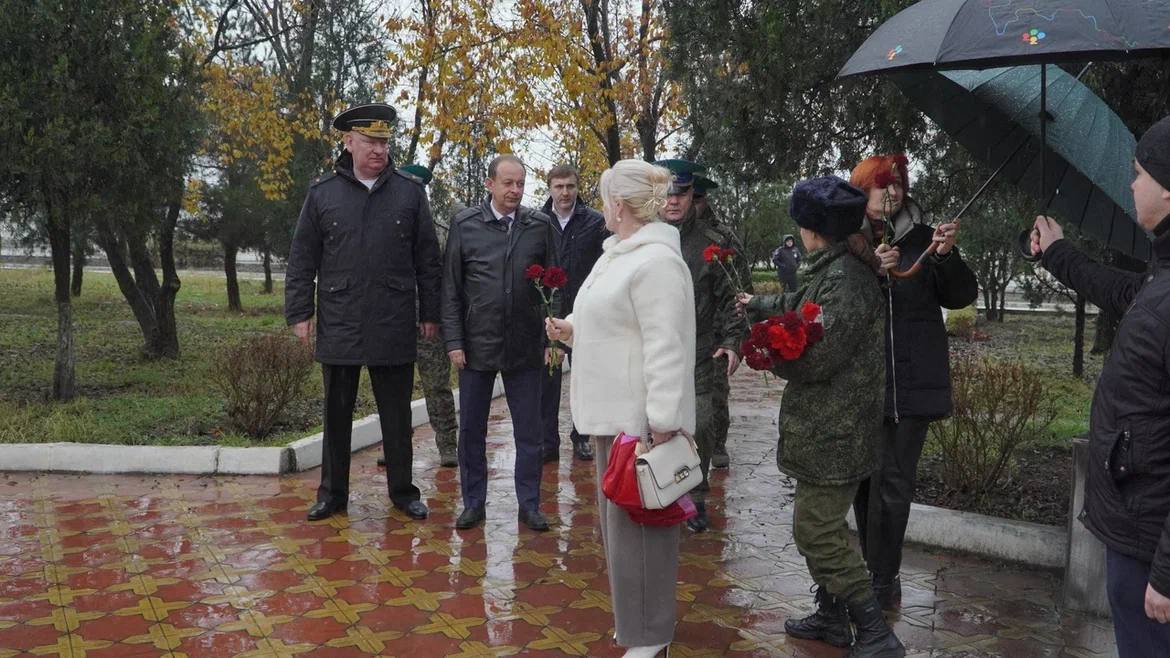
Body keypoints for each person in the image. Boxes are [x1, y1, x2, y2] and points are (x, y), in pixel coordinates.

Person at [738, 176, 905, 657]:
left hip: (838, 429)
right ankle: (833, 618)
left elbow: (820, 355)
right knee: (818, 528)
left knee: (816, 531)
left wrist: (774, 355)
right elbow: (798, 307)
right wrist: (759, 311)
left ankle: (876, 631)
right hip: (824, 426)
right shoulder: (831, 267)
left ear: (812, 229)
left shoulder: (847, 280)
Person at [1029, 116, 1170, 657]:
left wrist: (1166, 571)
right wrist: (1059, 252)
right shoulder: (1162, 275)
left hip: (1153, 544)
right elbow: (1123, 291)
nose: (1130, 185)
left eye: (1138, 174)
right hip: (1138, 530)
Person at [545, 159, 694, 658]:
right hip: (613, 419)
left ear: (621, 205)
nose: (601, 203)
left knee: (643, 536)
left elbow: (665, 346)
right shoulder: (620, 254)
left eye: (607, 195)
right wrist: (573, 328)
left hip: (642, 424)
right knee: (619, 536)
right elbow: (615, 322)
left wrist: (664, 423)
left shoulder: (655, 262)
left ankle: (652, 638)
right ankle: (636, 624)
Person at [285, 103, 441, 522]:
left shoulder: (409, 192)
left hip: (393, 317)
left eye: (384, 142)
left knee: (396, 413)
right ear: (348, 142)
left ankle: (404, 492)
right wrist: (299, 311)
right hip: (341, 317)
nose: (379, 150)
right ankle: (332, 494)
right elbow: (302, 257)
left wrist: (431, 312)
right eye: (370, 142)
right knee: (336, 413)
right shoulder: (322, 193)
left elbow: (428, 260)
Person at [848, 154, 978, 609]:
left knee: (893, 481)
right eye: (883, 185)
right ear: (862, 190)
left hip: (911, 381)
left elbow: (961, 295)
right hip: (863, 381)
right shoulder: (848, 241)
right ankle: (874, 569)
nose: (893, 192)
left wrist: (945, 256)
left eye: (899, 184)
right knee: (865, 480)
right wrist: (870, 268)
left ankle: (883, 579)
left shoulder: (924, 239)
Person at [442, 154, 559, 532]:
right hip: (476, 346)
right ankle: (473, 502)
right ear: (490, 184)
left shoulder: (539, 226)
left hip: (525, 345)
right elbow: (451, 289)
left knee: (530, 431)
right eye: (507, 183)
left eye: (520, 184)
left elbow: (555, 286)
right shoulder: (466, 225)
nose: (515, 191)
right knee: (471, 431)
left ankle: (530, 504)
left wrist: (552, 337)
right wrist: (455, 340)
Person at [655, 158, 747, 532]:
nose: (673, 201)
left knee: (702, 425)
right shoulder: (645, 237)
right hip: (657, 352)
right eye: (667, 194)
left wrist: (732, 341)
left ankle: (695, 496)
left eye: (681, 193)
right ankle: (660, 492)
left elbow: (734, 298)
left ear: (693, 195)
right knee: (657, 424)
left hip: (701, 350)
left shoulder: (715, 243)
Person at [374, 164, 457, 469]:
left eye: (419, 189)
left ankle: (448, 445)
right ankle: (394, 444)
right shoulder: (383, 226)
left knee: (437, 386)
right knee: (394, 390)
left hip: (429, 324)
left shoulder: (442, 232)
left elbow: (448, 279)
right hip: (392, 320)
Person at [540, 164, 607, 464]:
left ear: (578, 188)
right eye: (559, 186)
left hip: (584, 315)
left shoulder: (595, 222)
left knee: (584, 381)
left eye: (570, 186)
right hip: (550, 316)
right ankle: (547, 442)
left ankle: (581, 437)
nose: (565, 192)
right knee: (548, 380)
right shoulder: (537, 222)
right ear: (550, 188)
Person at [692, 174, 749, 471]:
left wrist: (733, 339)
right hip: (682, 330)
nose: (695, 204)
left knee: (715, 391)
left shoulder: (722, 237)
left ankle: (717, 442)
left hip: (713, 332)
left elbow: (738, 289)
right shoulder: (665, 230)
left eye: (698, 198)